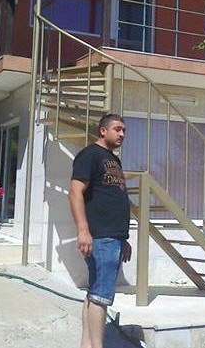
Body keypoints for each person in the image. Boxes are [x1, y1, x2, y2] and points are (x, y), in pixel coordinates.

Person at [69, 114, 132, 348]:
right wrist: (83, 231)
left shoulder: (113, 160)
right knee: (101, 296)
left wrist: (123, 239)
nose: (122, 134)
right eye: (117, 129)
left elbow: (111, 197)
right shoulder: (90, 155)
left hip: (113, 237)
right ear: (103, 131)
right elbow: (75, 193)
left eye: (124, 130)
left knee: (95, 293)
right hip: (101, 236)